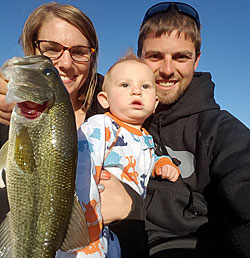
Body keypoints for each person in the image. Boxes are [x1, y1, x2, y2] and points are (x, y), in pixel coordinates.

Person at [99, 2, 250, 258]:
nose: (167, 70)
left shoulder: (217, 128)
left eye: (181, 57)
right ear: (140, 57)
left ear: (197, 59)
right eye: (155, 56)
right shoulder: (113, 114)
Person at [0, 3, 106, 223]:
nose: (65, 63)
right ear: (32, 48)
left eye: (79, 52)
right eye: (51, 48)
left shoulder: (113, 107)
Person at [73, 52, 180, 257]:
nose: (136, 92)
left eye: (145, 87)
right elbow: (83, 166)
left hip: (121, 231)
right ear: (104, 99)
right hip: (90, 224)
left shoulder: (146, 138)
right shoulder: (101, 126)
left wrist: (161, 163)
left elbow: (146, 160)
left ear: (155, 103)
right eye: (125, 85)